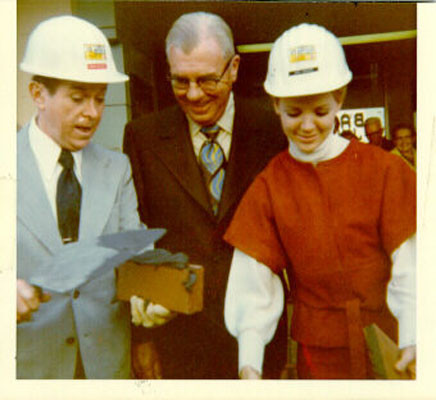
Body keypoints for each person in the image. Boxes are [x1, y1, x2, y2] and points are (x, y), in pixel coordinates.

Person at [224, 23, 416, 379]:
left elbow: (412, 258)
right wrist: (249, 360)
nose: (308, 125)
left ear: (340, 98)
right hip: (317, 354)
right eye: (294, 113)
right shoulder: (270, 184)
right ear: (275, 104)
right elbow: (252, 279)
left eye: (321, 111)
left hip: (391, 341)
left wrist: (414, 332)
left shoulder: (385, 168)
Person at [123, 11, 288, 379]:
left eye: (207, 79)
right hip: (178, 344)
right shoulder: (142, 137)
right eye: (180, 81)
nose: (194, 94)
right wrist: (142, 338)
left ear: (234, 69)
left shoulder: (273, 132)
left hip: (259, 342)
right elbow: (136, 240)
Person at [17, 15, 166, 379]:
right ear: (38, 94)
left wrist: (154, 291)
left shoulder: (116, 168)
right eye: (78, 98)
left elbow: (133, 249)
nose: (93, 113)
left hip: (106, 366)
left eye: (100, 98)